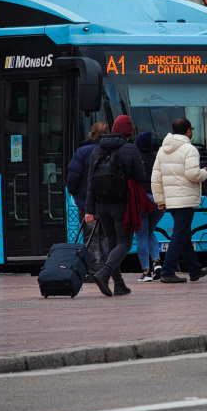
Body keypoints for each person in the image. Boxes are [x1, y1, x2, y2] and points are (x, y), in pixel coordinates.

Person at [84, 115, 148, 297]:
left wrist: (89, 209)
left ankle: (119, 285)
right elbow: (140, 176)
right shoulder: (130, 148)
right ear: (129, 133)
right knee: (125, 243)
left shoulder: (98, 149)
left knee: (112, 243)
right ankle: (104, 274)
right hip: (122, 203)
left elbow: (91, 182)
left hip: (102, 205)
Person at [151, 117, 207, 284]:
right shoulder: (190, 149)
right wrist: (205, 173)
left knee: (183, 234)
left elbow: (156, 177)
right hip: (185, 199)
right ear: (188, 131)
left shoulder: (162, 150)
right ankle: (168, 271)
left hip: (171, 200)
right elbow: (193, 174)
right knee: (179, 235)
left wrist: (160, 199)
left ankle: (194, 269)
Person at [66, 122, 110, 278]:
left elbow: (74, 176)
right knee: (104, 236)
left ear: (91, 134)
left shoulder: (83, 151)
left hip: (87, 202)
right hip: (108, 202)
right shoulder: (112, 151)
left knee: (90, 236)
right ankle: (106, 269)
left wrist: (74, 192)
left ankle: (95, 269)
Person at [133, 131, 165, 282]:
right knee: (150, 232)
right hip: (158, 200)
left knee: (141, 237)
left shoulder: (135, 157)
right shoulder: (158, 157)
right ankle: (156, 262)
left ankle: (146, 272)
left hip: (141, 200)